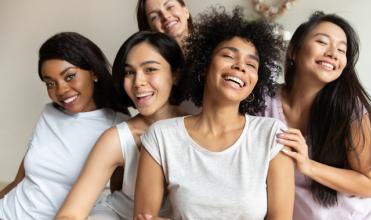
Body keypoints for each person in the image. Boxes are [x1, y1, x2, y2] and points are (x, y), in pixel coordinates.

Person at [134, 7, 294, 220]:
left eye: (251, 64)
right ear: (204, 66)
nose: (240, 67)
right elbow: (143, 217)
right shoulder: (161, 136)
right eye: (228, 55)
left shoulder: (272, 135)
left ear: (256, 81)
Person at [260, 11, 371, 219]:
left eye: (342, 50)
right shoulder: (264, 100)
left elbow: (369, 184)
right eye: (322, 42)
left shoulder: (349, 109)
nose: (333, 53)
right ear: (294, 51)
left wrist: (308, 165)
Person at [55, 31, 185, 220]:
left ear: (175, 76)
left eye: (150, 69)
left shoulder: (199, 129)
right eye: (129, 72)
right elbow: (69, 214)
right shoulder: (118, 137)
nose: (138, 82)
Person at [0, 32, 128, 220]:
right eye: (50, 83)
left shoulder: (117, 126)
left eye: (69, 77)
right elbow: (20, 180)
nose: (60, 90)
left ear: (93, 72)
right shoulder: (49, 113)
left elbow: (118, 200)